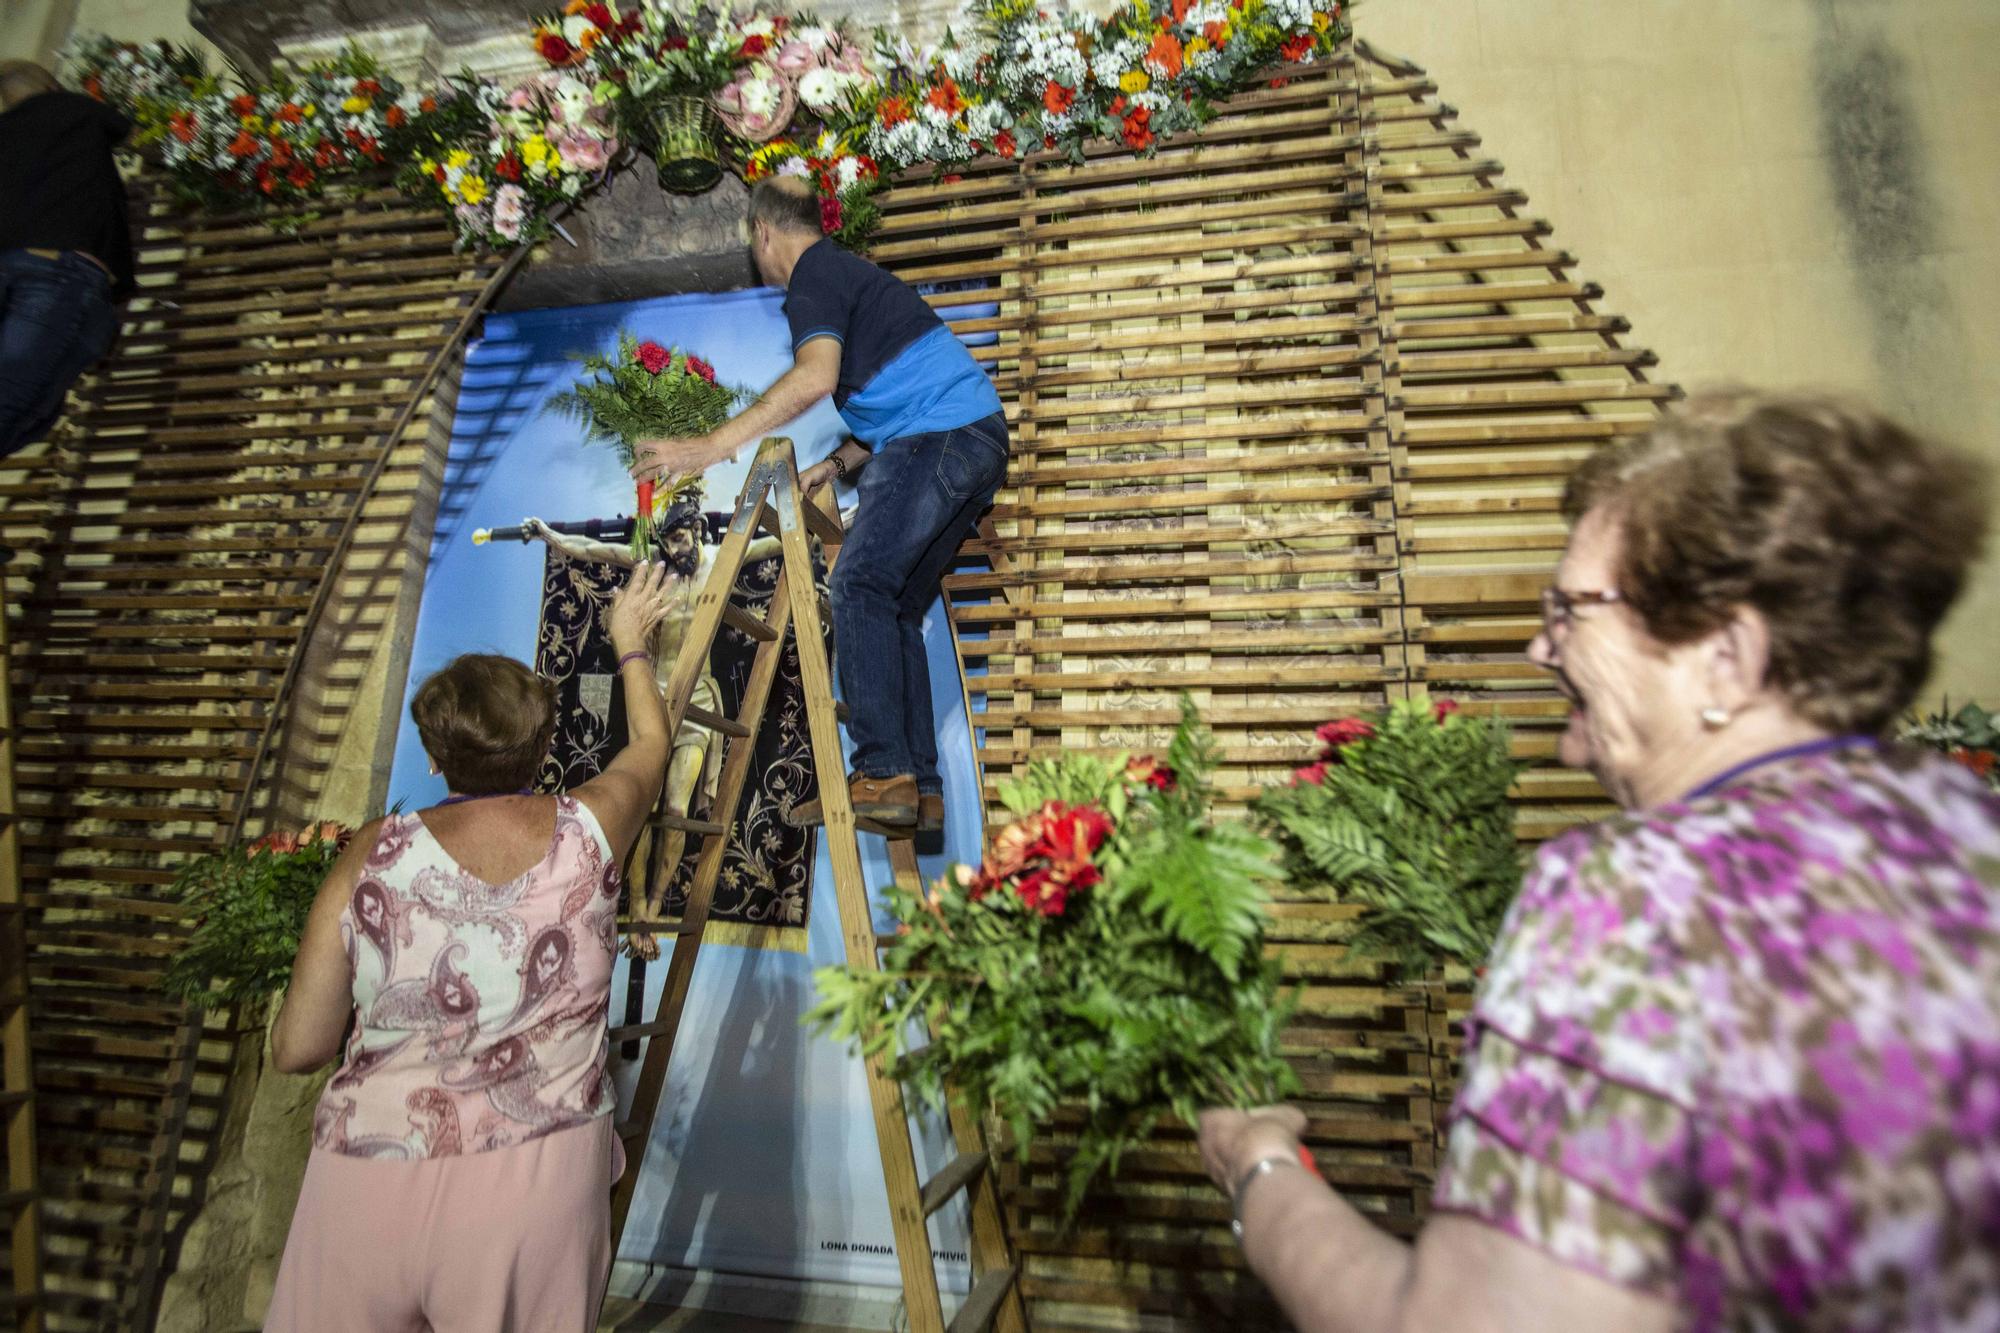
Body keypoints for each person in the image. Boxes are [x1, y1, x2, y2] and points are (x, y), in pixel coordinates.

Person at [1198, 391, 2000, 1331]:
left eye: (1572, 608)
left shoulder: (1641, 892)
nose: (1541, 646)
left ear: (1727, 658)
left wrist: (1259, 1170)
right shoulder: (1968, 822)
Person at [264, 562, 678, 1332]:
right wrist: (630, 643)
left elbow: (299, 1045)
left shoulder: (369, 855)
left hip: (366, 1179)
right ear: (542, 745)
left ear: (434, 755)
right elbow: (652, 741)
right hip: (534, 1184)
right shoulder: (590, 829)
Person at [626, 176, 1007, 833]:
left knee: (857, 582)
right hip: (975, 438)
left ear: (763, 234)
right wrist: (833, 465)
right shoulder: (849, 276)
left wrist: (707, 447)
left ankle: (883, 770)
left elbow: (815, 376)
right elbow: (888, 395)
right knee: (896, 604)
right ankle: (918, 785)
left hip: (940, 434)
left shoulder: (813, 275)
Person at [520, 498, 722, 960]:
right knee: (644, 807)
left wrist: (841, 520)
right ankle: (635, 911)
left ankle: (654, 903)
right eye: (669, 540)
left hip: (700, 701)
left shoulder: (719, 561)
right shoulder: (652, 567)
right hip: (653, 698)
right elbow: (594, 550)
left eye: (682, 538)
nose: (676, 548)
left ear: (696, 531)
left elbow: (768, 546)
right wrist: (551, 536)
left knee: (675, 807)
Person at [0, 60, 134, 458]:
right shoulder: (72, 108)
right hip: (58, 273)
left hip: (15, 269)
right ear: (54, 85)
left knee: (33, 412)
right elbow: (147, 139)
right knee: (17, 400)